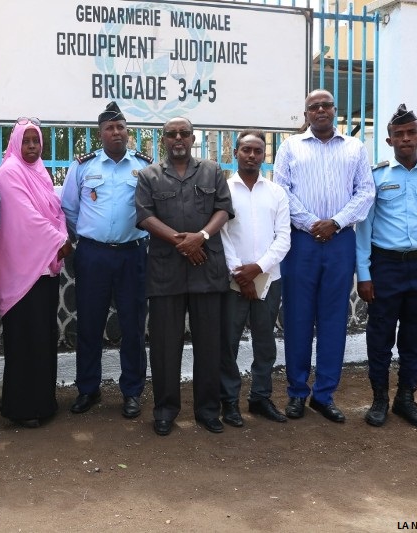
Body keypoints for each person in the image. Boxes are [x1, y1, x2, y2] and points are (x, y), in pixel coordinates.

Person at [273, 89, 374, 422]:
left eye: (325, 105)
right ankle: (297, 393)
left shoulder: (355, 148)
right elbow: (281, 190)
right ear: (306, 115)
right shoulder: (290, 148)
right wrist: (311, 223)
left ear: (335, 110)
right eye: (312, 107)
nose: (319, 110)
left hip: (340, 242)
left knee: (333, 320)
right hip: (301, 244)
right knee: (298, 319)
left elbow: (366, 192)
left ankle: (325, 393)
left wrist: (336, 222)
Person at [135, 116, 233, 436]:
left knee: (209, 344)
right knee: (164, 345)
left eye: (184, 133)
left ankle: (207, 410)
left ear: (193, 138)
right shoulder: (149, 175)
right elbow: (145, 217)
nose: (178, 138)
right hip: (166, 271)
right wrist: (183, 241)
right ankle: (165, 409)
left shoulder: (212, 171)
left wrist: (201, 237)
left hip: (207, 267)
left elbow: (223, 210)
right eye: (171, 134)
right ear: (163, 140)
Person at [356, 104, 417, 431]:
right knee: (379, 334)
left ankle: (406, 397)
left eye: (411, 133)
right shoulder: (376, 177)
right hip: (385, 266)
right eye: (399, 134)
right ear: (389, 139)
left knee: (415, 336)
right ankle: (380, 397)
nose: (406, 139)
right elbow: (363, 230)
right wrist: (364, 274)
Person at [60, 101, 151, 419]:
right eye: (109, 128)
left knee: (133, 326)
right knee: (89, 323)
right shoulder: (84, 166)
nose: (116, 132)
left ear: (128, 132)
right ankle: (88, 389)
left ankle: (132, 392)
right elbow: (69, 209)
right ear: (100, 134)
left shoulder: (143, 166)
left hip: (132, 255)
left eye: (120, 127)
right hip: (93, 255)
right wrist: (87, 236)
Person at [0, 118, 72, 428]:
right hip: (22, 270)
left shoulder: (41, 171)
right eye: (25, 141)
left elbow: (56, 210)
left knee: (44, 336)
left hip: (46, 269)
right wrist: (58, 241)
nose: (31, 146)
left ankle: (43, 402)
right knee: (24, 338)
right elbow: (26, 217)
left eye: (35, 141)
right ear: (15, 142)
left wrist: (61, 234)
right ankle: (22, 407)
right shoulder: (9, 173)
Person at [220, 130, 291, 426]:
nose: (252, 155)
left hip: (268, 280)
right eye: (246, 150)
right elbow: (220, 235)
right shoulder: (224, 191)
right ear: (236, 152)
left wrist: (257, 269)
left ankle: (260, 398)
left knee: (265, 342)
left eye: (257, 151)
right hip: (233, 281)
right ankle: (229, 402)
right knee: (229, 343)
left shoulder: (276, 192)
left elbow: (284, 238)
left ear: (264, 155)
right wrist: (241, 274)